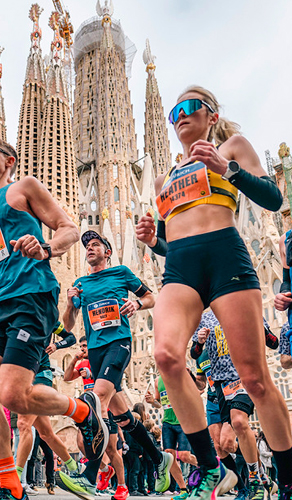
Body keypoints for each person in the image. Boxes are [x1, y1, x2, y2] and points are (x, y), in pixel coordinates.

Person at [135, 85, 291, 500]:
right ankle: (210, 469)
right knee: (167, 357)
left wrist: (229, 169)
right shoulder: (167, 176)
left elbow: (273, 198)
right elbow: (171, 243)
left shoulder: (233, 146)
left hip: (225, 258)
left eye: (190, 108)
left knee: (255, 379)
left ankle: (289, 480)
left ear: (211, 115)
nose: (181, 116)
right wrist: (154, 241)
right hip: (181, 268)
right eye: (174, 113)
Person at [0, 137, 106, 500]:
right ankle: (10, 486)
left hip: (32, 297)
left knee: (12, 394)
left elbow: (69, 229)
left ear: (9, 160)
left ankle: (81, 411)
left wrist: (46, 247)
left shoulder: (23, 187)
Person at [57, 230, 172, 500]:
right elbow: (69, 325)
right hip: (95, 352)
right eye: (87, 246)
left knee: (96, 401)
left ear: (107, 252)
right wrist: (69, 301)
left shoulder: (120, 272)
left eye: (96, 244)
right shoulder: (80, 284)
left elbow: (151, 298)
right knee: (121, 416)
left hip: (118, 343)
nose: (90, 248)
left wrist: (136, 304)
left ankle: (89, 476)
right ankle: (158, 458)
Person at [190, 312, 277, 500]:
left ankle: (254, 482)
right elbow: (194, 353)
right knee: (222, 446)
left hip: (244, 376)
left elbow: (273, 342)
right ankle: (259, 478)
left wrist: (259, 329)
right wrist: (199, 342)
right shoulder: (204, 319)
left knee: (238, 423)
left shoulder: (242, 304)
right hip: (220, 387)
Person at [17, 325, 81, 496]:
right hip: (24, 376)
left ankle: (15, 480)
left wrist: (56, 345)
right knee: (46, 434)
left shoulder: (47, 318)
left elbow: (71, 338)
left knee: (23, 423)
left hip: (40, 375)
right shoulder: (17, 317)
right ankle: (75, 468)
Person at [144, 375, 195, 499]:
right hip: (167, 422)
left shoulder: (179, 374)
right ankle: (183, 490)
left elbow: (196, 391)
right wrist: (152, 401)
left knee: (184, 456)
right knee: (169, 456)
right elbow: (158, 404)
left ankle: (209, 465)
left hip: (183, 421)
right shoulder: (157, 381)